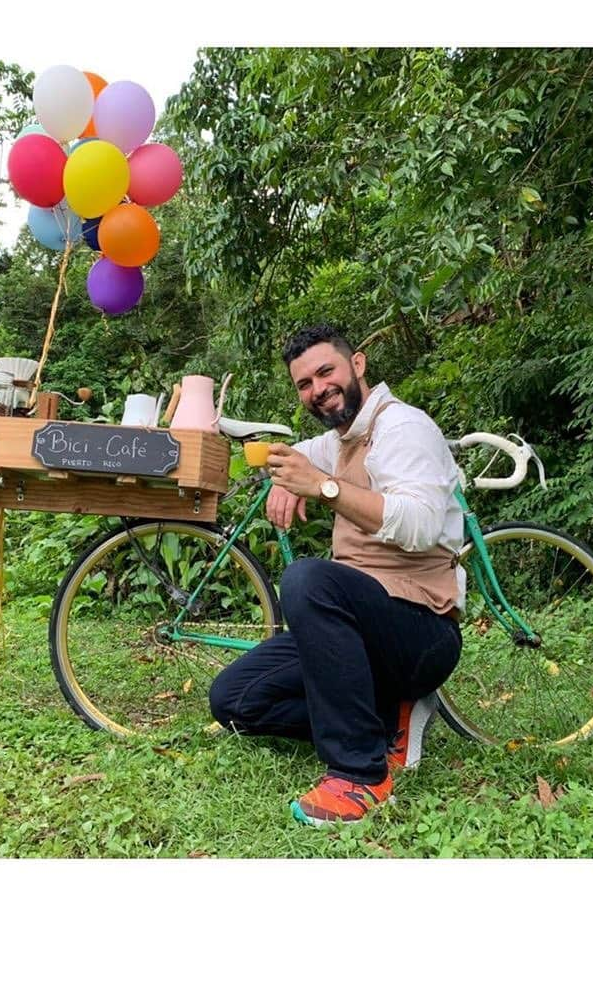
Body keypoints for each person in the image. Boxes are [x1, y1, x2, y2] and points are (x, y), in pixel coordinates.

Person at [208, 324, 465, 827]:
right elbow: (301, 458)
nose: (318, 389)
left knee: (307, 579)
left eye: (326, 372)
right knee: (233, 701)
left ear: (358, 365)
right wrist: (290, 476)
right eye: (304, 383)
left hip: (421, 628)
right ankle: (385, 718)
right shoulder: (338, 441)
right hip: (362, 630)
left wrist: (321, 488)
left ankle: (360, 773)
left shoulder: (403, 428)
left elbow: (420, 524)